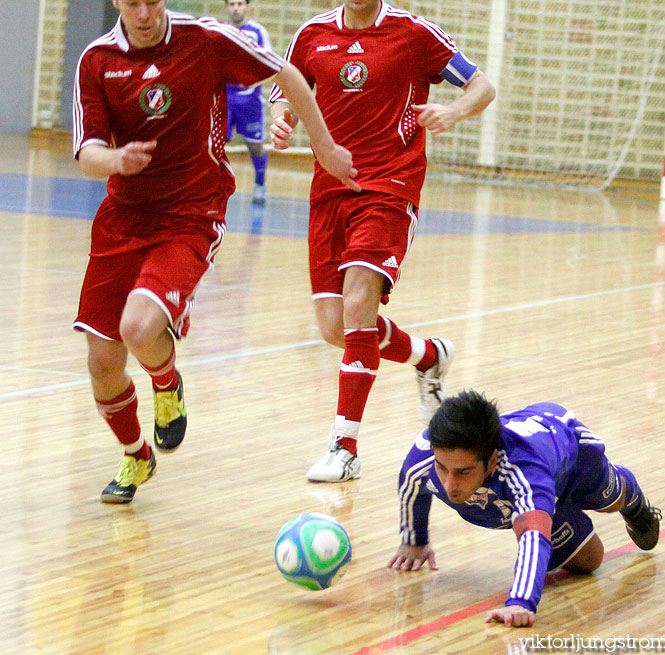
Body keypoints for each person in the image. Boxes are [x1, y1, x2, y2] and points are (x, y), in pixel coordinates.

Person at [72, 0, 358, 504]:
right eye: (132, 3)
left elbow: (287, 73)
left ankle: (166, 381)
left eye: (152, 1)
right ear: (117, 2)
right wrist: (116, 159)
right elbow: (88, 154)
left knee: (138, 327)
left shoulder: (204, 39)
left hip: (192, 210)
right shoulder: (96, 60)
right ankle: (136, 456)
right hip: (122, 217)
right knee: (102, 362)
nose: (144, 13)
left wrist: (326, 148)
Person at [269, 0, 496, 483]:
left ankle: (343, 447)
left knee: (357, 303)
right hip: (330, 190)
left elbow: (482, 85)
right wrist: (283, 120)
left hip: (390, 187)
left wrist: (452, 111)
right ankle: (429, 357)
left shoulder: (413, 34)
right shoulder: (311, 35)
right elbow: (289, 93)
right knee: (338, 327)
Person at [388, 390, 662, 627]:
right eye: (442, 468)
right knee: (590, 562)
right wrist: (414, 540)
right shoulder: (424, 456)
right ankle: (554, 509)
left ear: (492, 460)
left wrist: (521, 602)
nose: (449, 485)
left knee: (610, 499)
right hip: (540, 489)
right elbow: (410, 486)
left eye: (463, 472)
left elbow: (532, 537)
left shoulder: (523, 469)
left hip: (576, 458)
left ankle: (634, 500)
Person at [224, 0, 271, 204]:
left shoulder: (258, 32)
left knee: (255, 145)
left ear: (248, 6)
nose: (236, 7)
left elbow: (269, 63)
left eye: (240, 3)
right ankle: (211, 186)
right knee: (214, 144)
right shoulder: (221, 31)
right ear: (227, 7)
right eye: (232, 3)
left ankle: (260, 184)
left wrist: (251, 80)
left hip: (250, 100)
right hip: (224, 99)